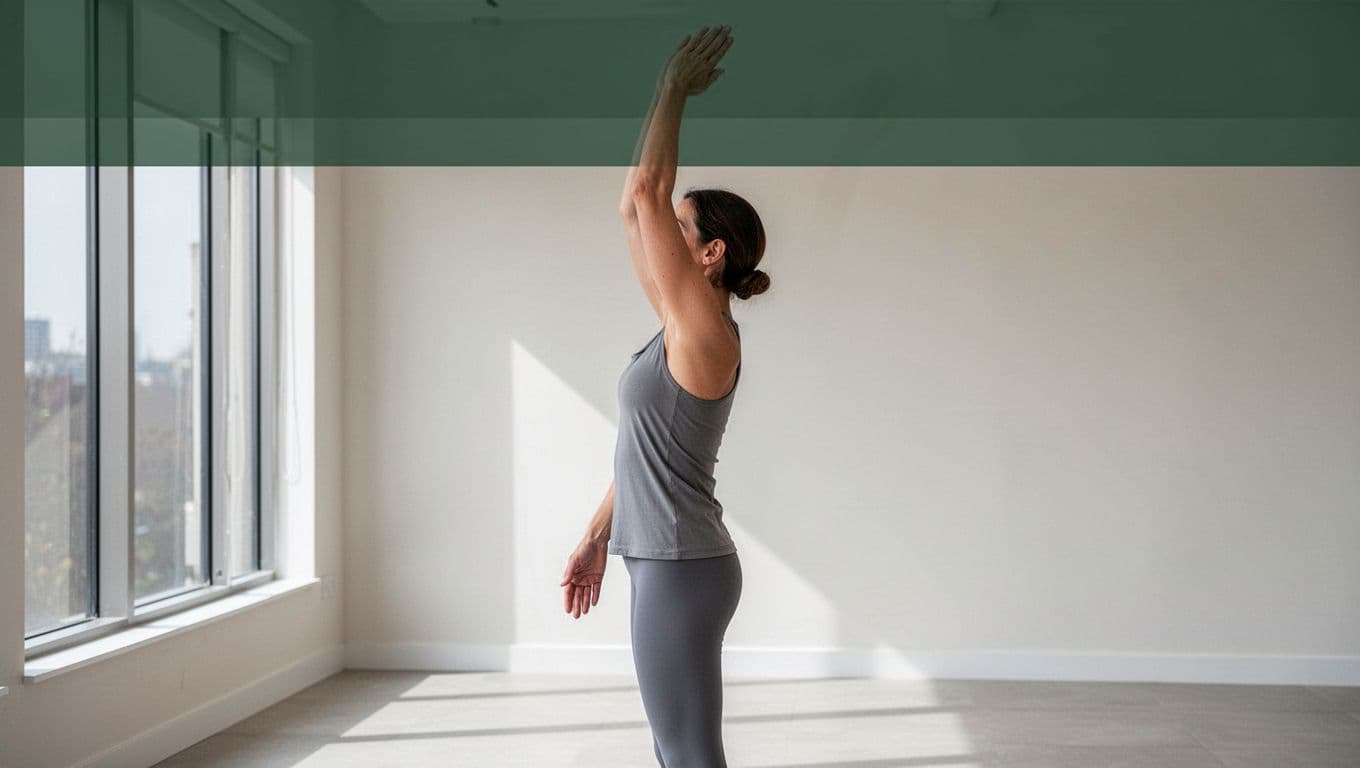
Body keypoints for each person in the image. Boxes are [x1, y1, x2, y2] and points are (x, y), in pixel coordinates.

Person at [558, 24, 771, 767]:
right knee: (673, 747)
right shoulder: (677, 329)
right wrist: (596, 535)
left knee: (688, 753)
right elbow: (633, 205)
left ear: (710, 253)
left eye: (679, 227)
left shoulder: (705, 334)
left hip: (682, 568)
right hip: (664, 560)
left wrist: (674, 87)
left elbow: (647, 192)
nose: (659, 229)